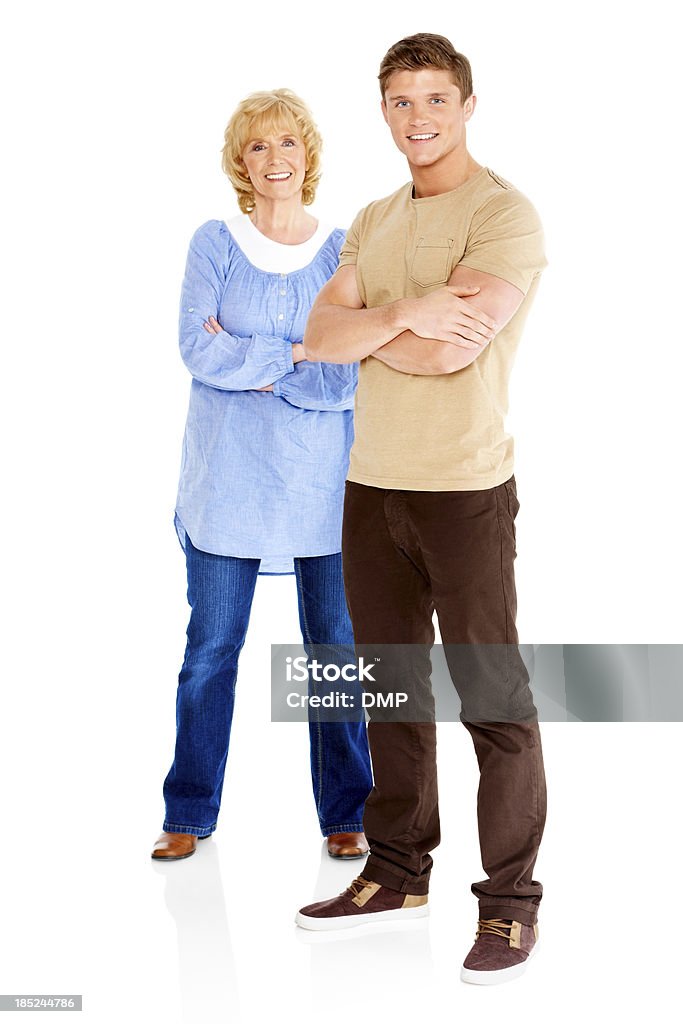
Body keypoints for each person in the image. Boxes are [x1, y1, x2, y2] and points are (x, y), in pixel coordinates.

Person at [294, 34, 548, 986]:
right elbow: (318, 334)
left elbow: (456, 353)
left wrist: (376, 328)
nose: (418, 118)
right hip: (370, 487)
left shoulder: (504, 216)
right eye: (401, 101)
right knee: (390, 694)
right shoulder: (371, 216)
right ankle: (396, 875)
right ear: (385, 111)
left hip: (465, 493)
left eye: (435, 99)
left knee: (493, 703)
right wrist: (407, 313)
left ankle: (510, 907)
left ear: (467, 104)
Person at [151, 89, 372, 864]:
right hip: (226, 484)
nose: (274, 159)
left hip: (325, 486)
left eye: (286, 144)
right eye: (256, 148)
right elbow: (195, 351)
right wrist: (302, 352)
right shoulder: (213, 244)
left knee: (336, 651)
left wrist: (259, 361)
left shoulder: (346, 249)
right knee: (209, 648)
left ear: (307, 155)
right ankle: (188, 811)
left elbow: (347, 378)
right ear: (238, 163)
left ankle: (346, 813)